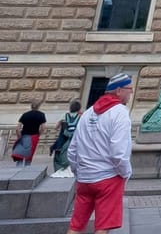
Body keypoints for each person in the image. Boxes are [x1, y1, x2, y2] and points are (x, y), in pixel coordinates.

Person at [68, 74, 135, 234]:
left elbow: (72, 150)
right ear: (119, 91)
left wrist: (78, 171)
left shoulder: (88, 113)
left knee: (76, 226)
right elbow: (119, 153)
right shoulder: (120, 113)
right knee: (102, 227)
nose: (131, 93)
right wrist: (125, 173)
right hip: (108, 179)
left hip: (85, 178)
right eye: (129, 89)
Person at [50, 101, 82, 178]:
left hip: (63, 139)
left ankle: (60, 170)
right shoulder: (80, 116)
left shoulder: (65, 115)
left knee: (59, 157)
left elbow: (56, 127)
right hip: (75, 140)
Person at [11, 100, 47, 165]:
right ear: (39, 106)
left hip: (24, 136)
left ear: (31, 106)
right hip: (34, 137)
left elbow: (17, 128)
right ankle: (27, 168)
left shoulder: (25, 114)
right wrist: (39, 134)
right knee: (29, 155)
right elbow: (43, 127)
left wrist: (19, 137)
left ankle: (18, 167)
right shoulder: (41, 115)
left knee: (20, 154)